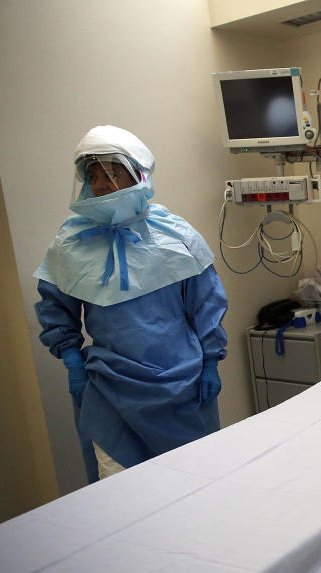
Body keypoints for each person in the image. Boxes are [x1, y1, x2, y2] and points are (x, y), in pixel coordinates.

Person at [35, 125, 228, 483]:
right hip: (110, 390)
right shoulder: (71, 242)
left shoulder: (176, 235)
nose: (102, 184)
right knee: (121, 496)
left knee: (193, 486)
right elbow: (55, 308)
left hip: (181, 387)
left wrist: (211, 360)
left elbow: (206, 304)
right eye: (93, 175)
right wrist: (72, 359)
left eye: (111, 173)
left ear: (137, 175)